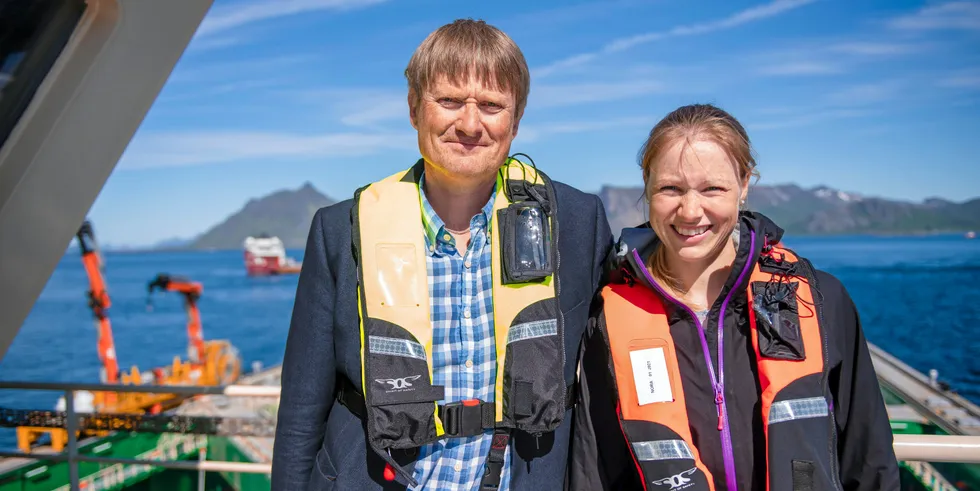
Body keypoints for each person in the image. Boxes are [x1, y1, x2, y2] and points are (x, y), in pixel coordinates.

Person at [271, 19, 613, 491]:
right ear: (414, 109)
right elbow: (301, 409)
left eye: (492, 105)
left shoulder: (576, 222)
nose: (470, 124)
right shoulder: (340, 230)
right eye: (448, 101)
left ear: (515, 121)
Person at [568, 103, 900, 490]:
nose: (690, 211)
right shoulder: (611, 317)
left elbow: (870, 459)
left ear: (744, 185)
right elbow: (594, 472)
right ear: (647, 184)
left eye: (712, 188)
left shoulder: (821, 300)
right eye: (670, 188)